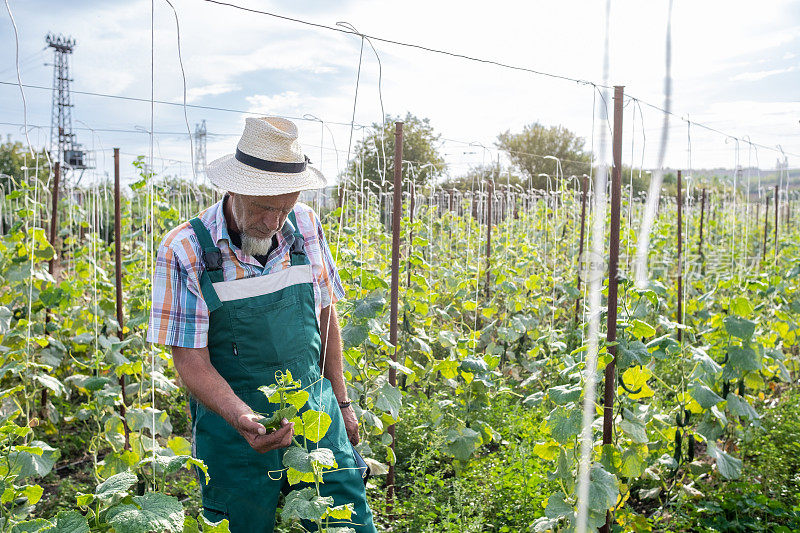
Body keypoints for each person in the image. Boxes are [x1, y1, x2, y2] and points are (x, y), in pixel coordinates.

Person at [147, 116, 377, 533]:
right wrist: (242, 417)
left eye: (284, 208)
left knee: (348, 522)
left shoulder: (305, 224)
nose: (274, 223)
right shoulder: (185, 249)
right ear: (233, 189)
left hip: (316, 415)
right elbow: (190, 361)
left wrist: (342, 403)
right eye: (264, 209)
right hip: (234, 432)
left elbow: (325, 317)